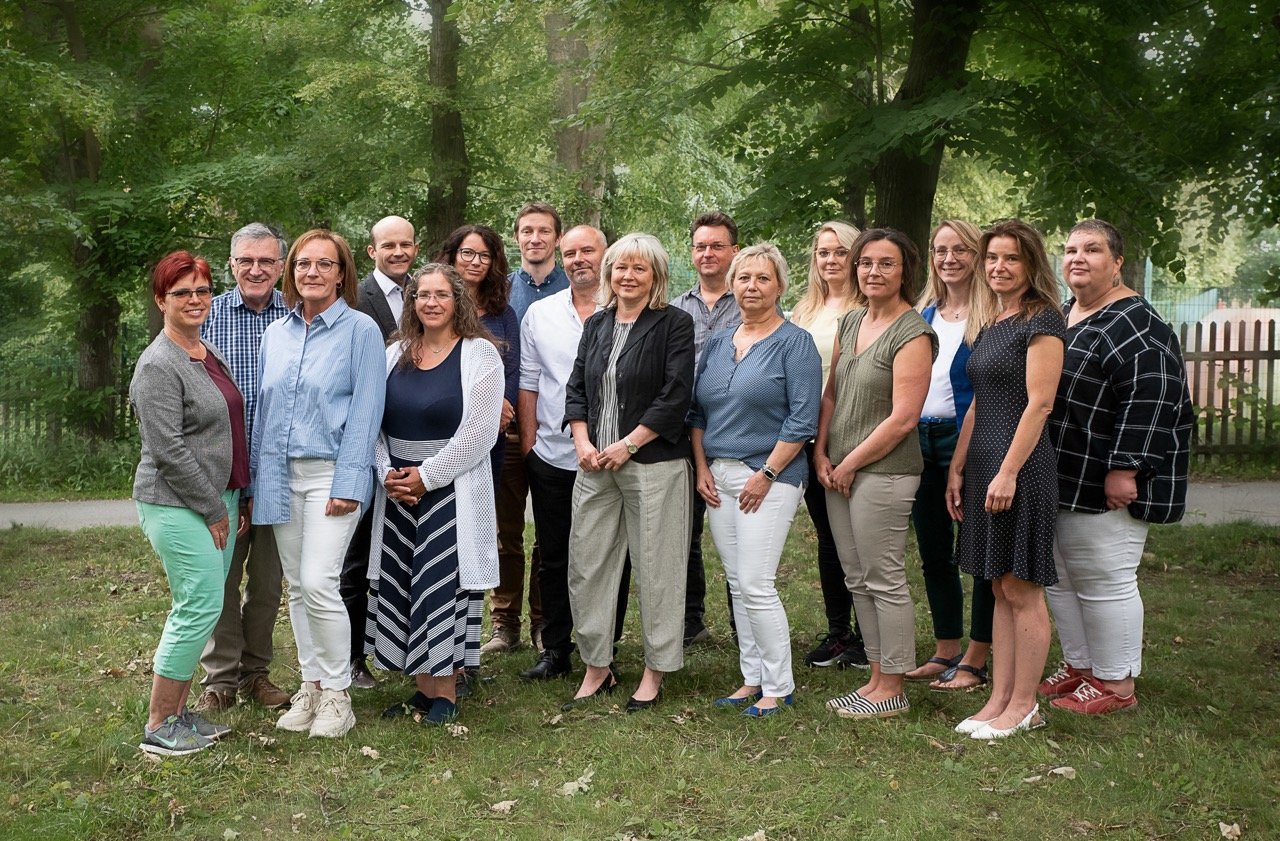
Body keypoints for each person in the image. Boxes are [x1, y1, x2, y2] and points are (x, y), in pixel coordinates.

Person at [1042, 219, 1192, 714]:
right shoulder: (1066, 313)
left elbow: (1153, 400)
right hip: (1062, 470)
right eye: (1071, 250)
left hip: (1104, 475)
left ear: (1117, 262)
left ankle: (1116, 684)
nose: (1078, 258)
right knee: (1063, 577)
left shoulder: (1137, 324)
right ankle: (1082, 666)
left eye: (1092, 250)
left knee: (1104, 579)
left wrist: (1126, 468)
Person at [252, 229, 385, 739]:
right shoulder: (275, 333)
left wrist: (349, 481)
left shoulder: (360, 331)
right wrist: (258, 481)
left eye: (324, 264)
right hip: (279, 475)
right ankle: (310, 685)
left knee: (319, 581)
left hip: (332, 474)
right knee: (297, 587)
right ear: (291, 271)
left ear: (341, 273)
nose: (312, 272)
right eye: (303, 263)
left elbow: (367, 412)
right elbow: (265, 412)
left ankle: (337, 694)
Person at [365, 265, 504, 725]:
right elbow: (373, 424)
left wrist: (427, 476)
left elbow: (480, 433)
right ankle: (423, 691)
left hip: (451, 491)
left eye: (441, 294)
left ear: (457, 300)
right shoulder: (394, 353)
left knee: (440, 586)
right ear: (412, 303)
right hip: (399, 493)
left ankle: (446, 691)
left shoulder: (480, 354)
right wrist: (387, 474)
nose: (431, 302)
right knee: (406, 585)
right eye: (422, 295)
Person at [563, 233, 695, 712]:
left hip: (654, 464)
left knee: (658, 568)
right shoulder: (597, 323)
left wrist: (629, 444)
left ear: (656, 276)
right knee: (587, 565)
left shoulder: (674, 324)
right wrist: (583, 441)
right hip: (595, 464)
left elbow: (675, 394)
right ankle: (597, 666)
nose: (628, 276)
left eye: (640, 268)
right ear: (609, 273)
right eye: (621, 267)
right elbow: (576, 387)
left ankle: (655, 669)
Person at [689, 243, 821, 716]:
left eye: (763, 278)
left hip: (769, 475)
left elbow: (803, 420)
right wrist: (702, 468)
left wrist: (766, 473)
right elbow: (697, 412)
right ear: (732, 285)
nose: (752, 286)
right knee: (737, 582)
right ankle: (752, 678)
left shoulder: (795, 343)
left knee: (756, 581)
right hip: (717, 476)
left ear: (780, 286)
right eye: (744, 278)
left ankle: (779, 686)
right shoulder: (720, 342)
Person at [947, 219, 1065, 740]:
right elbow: (979, 404)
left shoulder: (1042, 321)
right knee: (997, 584)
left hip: (1021, 469)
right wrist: (958, 466)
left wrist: (1008, 472)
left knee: (1021, 586)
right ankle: (997, 699)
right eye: (992, 257)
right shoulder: (993, 320)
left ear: (1031, 264)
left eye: (1011, 258)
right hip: (983, 467)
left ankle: (1024, 705)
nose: (999, 267)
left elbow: (1039, 404)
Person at [132, 250, 249, 756]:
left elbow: (224, 429)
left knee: (207, 604)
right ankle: (160, 724)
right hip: (177, 502)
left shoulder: (204, 349)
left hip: (219, 496)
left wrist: (236, 492)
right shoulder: (158, 364)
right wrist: (213, 508)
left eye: (202, 290)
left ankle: (180, 715)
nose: (195, 299)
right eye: (182, 292)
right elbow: (169, 450)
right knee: (197, 604)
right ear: (162, 301)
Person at [816, 229, 936, 720]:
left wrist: (849, 463)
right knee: (857, 576)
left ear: (905, 271)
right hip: (837, 470)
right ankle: (875, 676)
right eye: (866, 263)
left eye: (886, 263)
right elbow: (830, 394)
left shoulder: (913, 333)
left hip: (884, 472)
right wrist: (821, 452)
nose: (873, 272)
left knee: (883, 577)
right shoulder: (851, 322)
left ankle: (894, 686)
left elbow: (904, 418)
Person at [517, 225, 634, 682]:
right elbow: (529, 381)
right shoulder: (541, 314)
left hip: (614, 457)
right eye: (570, 253)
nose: (579, 259)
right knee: (554, 555)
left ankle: (603, 645)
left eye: (588, 250)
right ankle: (555, 647)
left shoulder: (628, 310)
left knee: (610, 555)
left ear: (606, 256)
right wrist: (530, 445)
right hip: (552, 455)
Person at [195, 223, 293, 714]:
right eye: (246, 261)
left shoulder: (297, 315)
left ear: (281, 266)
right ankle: (220, 680)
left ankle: (257, 674)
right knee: (220, 581)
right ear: (231, 265)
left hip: (277, 476)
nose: (256, 270)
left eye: (266, 261)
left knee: (268, 585)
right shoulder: (206, 316)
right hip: (221, 478)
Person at [902, 220, 995, 691]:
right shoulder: (924, 313)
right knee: (933, 550)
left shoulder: (993, 315)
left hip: (973, 442)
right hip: (921, 440)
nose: (949, 258)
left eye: (961, 249)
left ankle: (976, 658)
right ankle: (946, 648)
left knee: (978, 551)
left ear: (977, 256)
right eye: (940, 250)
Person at [486, 202, 567, 655]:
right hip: (507, 430)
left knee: (550, 535)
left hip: (556, 431)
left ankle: (543, 621)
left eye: (543, 231)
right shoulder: (501, 291)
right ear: (516, 237)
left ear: (557, 238)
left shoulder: (573, 289)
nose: (534, 238)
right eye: (526, 231)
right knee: (506, 532)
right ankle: (504, 622)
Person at [342, 214, 419, 691]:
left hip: (415, 444)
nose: (397, 252)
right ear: (372, 251)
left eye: (405, 244)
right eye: (388, 245)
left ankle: (412, 651)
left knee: (407, 556)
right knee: (355, 558)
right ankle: (352, 658)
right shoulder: (355, 299)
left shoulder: (426, 294)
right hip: (365, 443)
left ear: (415, 248)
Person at [789, 221, 868, 669]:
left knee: (858, 538)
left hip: (852, 435)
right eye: (823, 252)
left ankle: (868, 635)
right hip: (809, 436)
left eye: (840, 252)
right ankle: (839, 631)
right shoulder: (805, 309)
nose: (831, 260)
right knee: (828, 537)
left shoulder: (867, 307)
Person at [671, 211, 741, 647]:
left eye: (717, 245)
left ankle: (743, 624)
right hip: (683, 433)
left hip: (737, 432)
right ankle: (690, 620)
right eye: (701, 246)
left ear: (734, 250)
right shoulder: (675, 308)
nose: (708, 253)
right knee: (685, 532)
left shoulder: (752, 299)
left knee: (741, 535)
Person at [436, 224, 519, 484]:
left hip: (490, 433)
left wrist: (501, 405)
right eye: (468, 253)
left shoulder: (503, 313)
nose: (476, 262)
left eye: (485, 256)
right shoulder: (435, 308)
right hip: (443, 426)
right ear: (453, 256)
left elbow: (512, 369)